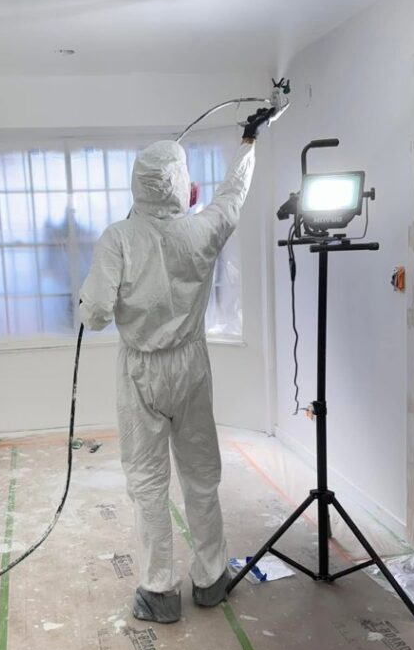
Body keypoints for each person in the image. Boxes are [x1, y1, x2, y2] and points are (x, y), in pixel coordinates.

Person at [79, 107, 275, 623]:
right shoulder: (202, 229)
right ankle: (211, 580)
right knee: (201, 475)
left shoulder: (117, 238)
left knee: (147, 482)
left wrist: (89, 301)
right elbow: (232, 196)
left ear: (136, 188)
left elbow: (95, 315)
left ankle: (160, 592)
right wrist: (248, 145)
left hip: (140, 371)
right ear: (182, 188)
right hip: (190, 364)